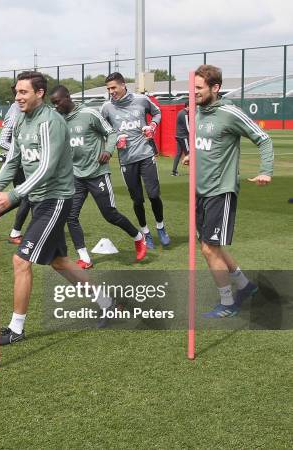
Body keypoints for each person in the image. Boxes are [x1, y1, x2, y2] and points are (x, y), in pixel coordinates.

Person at [0, 71, 113, 345]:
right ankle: (107, 303)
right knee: (59, 262)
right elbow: (14, 159)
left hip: (55, 199)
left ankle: (16, 328)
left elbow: (47, 167)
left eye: (24, 92)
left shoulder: (50, 122)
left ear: (39, 93)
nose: (18, 97)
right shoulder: (20, 120)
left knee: (21, 260)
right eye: (16, 92)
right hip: (39, 200)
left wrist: (14, 195)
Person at [184, 64, 273, 318]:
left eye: (199, 88)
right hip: (198, 190)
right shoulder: (195, 112)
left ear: (216, 88)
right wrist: (193, 155)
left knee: (209, 249)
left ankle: (227, 302)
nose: (194, 93)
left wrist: (266, 170)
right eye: (193, 88)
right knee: (213, 246)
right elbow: (205, 144)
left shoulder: (230, 113)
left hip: (220, 190)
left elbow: (263, 138)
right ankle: (245, 286)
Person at [49, 86, 147, 268]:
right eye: (53, 103)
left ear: (68, 97)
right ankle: (84, 257)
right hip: (75, 176)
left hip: (97, 173)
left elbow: (111, 133)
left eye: (58, 102)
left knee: (109, 214)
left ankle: (139, 237)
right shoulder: (58, 119)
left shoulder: (89, 114)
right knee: (71, 216)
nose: (56, 106)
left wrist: (108, 151)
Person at [101, 72, 170, 249]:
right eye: (108, 89)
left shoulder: (141, 100)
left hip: (146, 155)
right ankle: (146, 232)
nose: (111, 92)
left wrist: (152, 126)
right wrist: (115, 139)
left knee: (154, 195)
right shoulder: (107, 107)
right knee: (137, 200)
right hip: (126, 160)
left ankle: (161, 227)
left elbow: (157, 113)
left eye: (114, 87)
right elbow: (102, 129)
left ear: (123, 85)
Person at [0, 99, 31, 245]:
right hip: (19, 163)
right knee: (26, 196)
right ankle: (15, 233)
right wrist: (23, 151)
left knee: (23, 197)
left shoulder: (32, 112)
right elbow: (2, 141)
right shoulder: (16, 111)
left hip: (26, 162)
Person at [172, 102, 189, 176]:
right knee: (189, 154)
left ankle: (174, 172)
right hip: (183, 137)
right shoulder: (184, 114)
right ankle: (193, 172)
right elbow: (187, 127)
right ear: (188, 106)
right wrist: (193, 134)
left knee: (178, 154)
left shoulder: (180, 112)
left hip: (178, 136)